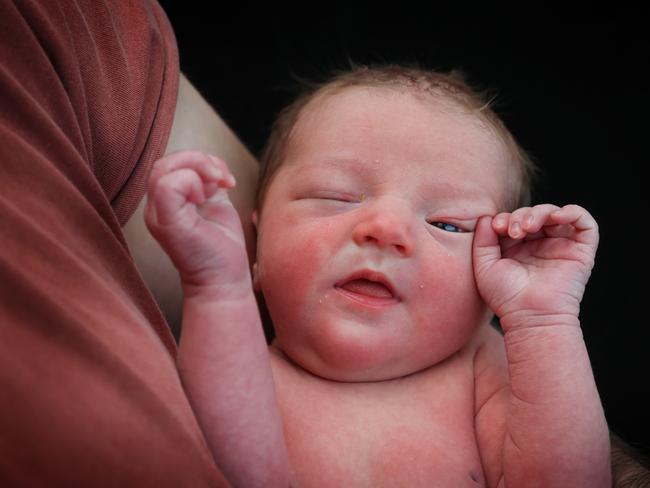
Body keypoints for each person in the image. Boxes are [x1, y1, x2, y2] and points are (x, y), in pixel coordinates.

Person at [145, 65, 612, 487]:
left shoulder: (481, 371)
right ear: (258, 240)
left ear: (491, 282)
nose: (387, 230)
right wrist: (217, 287)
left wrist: (542, 320)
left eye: (447, 224)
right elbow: (237, 474)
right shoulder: (244, 368)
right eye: (337, 196)